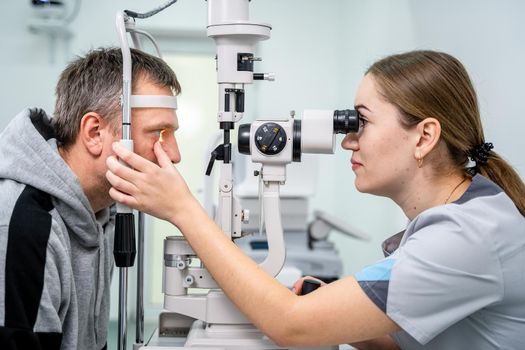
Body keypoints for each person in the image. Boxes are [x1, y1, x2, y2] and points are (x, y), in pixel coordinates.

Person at [105, 50, 525, 349]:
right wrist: (331, 312)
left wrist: (181, 208)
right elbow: (404, 341)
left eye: (360, 122)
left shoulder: (467, 236)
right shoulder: (467, 218)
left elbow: (292, 326)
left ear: (424, 137)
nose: (348, 141)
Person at [0, 47, 182, 350]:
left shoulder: (102, 212)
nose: (174, 155)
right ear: (95, 132)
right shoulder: (24, 226)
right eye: (159, 133)